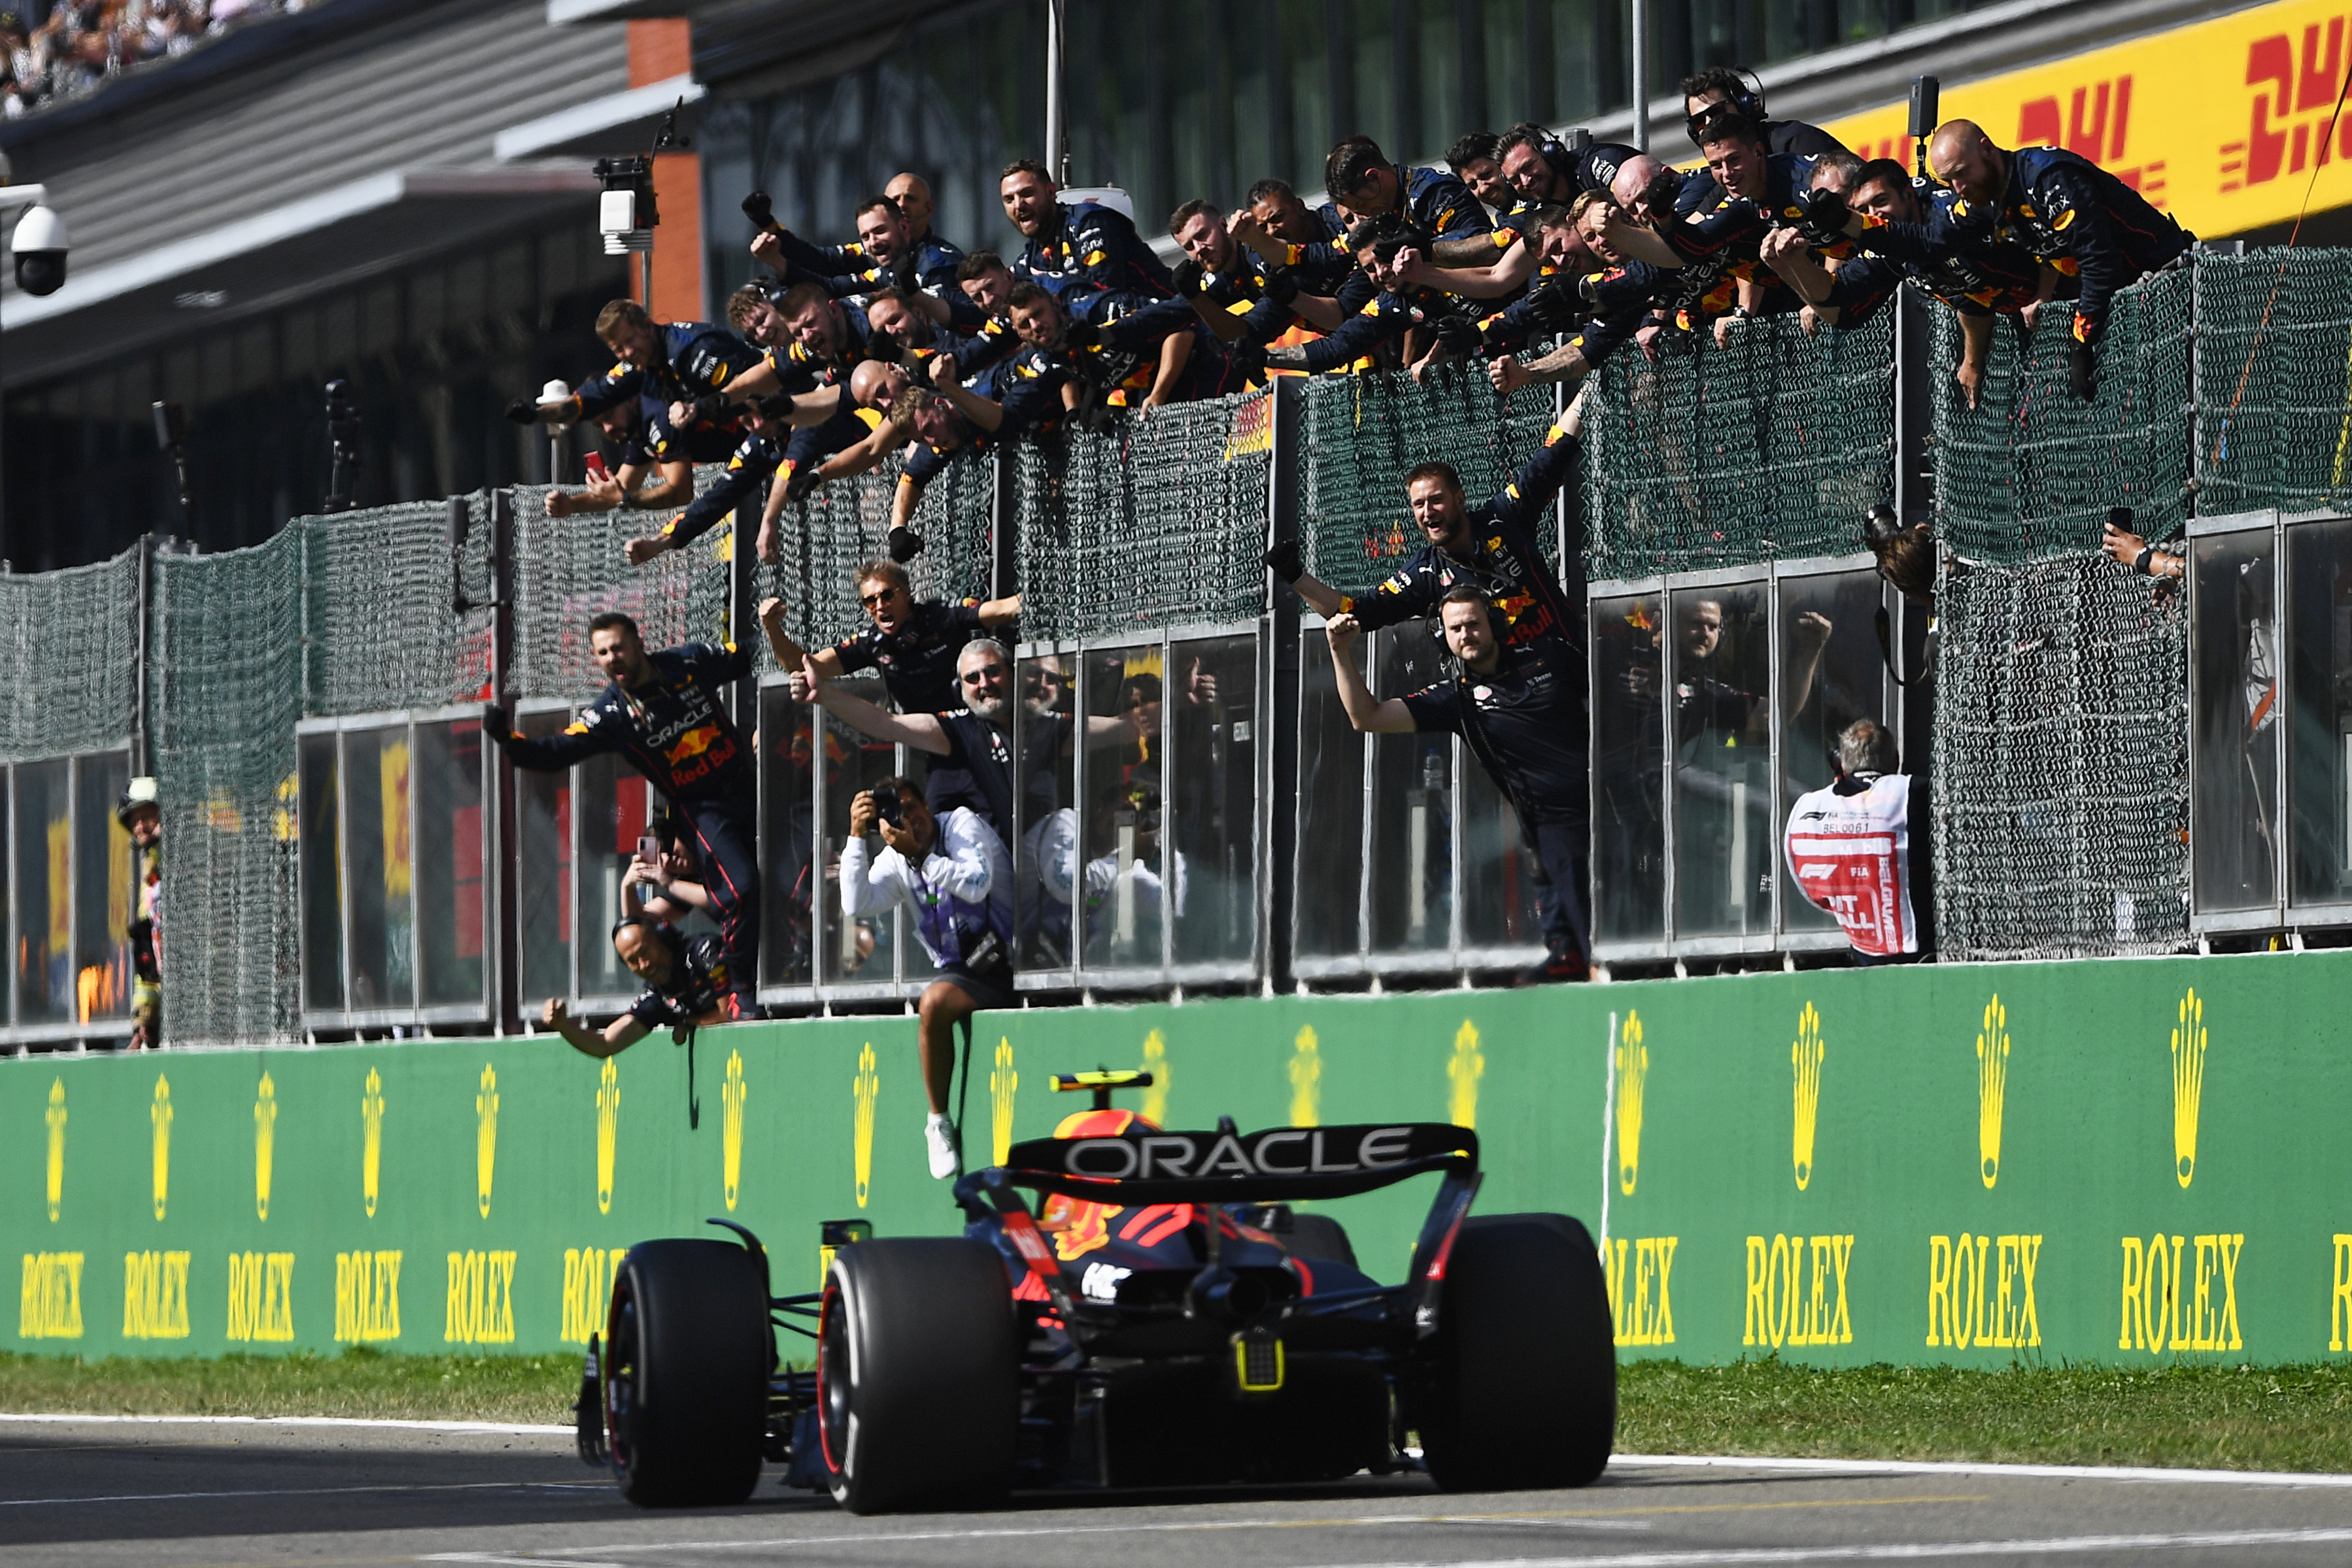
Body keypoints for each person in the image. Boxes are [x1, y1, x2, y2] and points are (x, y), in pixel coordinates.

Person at [484, 613, 760, 1014]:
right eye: (602, 652)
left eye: (618, 647)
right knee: (743, 890)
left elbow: (752, 656)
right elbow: (553, 753)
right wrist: (506, 739)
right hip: (704, 810)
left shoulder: (687, 663)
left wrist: (774, 631)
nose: (612, 657)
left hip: (750, 786)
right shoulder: (611, 715)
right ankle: (739, 993)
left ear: (638, 643)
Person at [1325, 588, 1591, 983]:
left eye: (1473, 624)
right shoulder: (1457, 699)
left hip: (1608, 806)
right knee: (1576, 952)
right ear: (1443, 637)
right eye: (1456, 628)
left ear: (1496, 625)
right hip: (1549, 829)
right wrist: (1340, 652)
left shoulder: (1550, 655)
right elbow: (1368, 717)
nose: (1466, 634)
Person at [1271, 411, 1582, 656]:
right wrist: (1296, 575)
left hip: (1570, 664)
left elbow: (1553, 453)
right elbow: (1355, 613)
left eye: (1436, 500)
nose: (1427, 512)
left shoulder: (1503, 517)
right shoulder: (1425, 573)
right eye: (1418, 504)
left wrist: (1595, 359)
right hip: (1507, 698)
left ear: (1459, 500)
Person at [1928, 118, 2193, 398]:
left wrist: (2081, 342)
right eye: (1948, 181)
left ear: (1986, 149)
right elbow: (1937, 237)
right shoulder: (1991, 196)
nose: (1958, 188)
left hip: (2168, 287)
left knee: (2180, 402)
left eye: (1962, 172)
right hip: (2127, 304)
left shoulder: (2048, 178)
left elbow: (2099, 265)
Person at [838, 774, 1014, 1178]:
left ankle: (938, 1120)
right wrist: (855, 838)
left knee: (934, 1000)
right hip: (964, 970)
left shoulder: (961, 826)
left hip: (1011, 958)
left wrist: (922, 857)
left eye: (912, 807)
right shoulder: (894, 855)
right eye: (895, 813)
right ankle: (938, 1123)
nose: (908, 819)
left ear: (927, 806)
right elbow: (856, 903)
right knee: (934, 1002)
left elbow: (977, 883)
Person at [759, 560, 1021, 717]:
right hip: (925, 736)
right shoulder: (872, 643)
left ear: (906, 593)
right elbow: (805, 666)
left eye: (887, 595)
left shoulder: (941, 616)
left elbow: (1002, 610)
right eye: (870, 600)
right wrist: (772, 627)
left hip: (976, 718)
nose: (880, 605)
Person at [1783, 718, 1932, 964]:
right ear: (1895, 760)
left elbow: (1813, 891)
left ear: (1840, 764)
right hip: (1925, 953)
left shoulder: (1807, 807)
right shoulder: (1913, 792)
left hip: (1864, 952)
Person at [541, 916, 741, 1058]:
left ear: (661, 938)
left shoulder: (703, 952)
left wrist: (689, 1021)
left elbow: (728, 1014)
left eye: (645, 951)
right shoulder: (658, 996)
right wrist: (563, 1026)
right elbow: (605, 1045)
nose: (644, 965)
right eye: (633, 961)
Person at [1000, 159, 1176, 298]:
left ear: (1051, 192)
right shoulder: (1032, 255)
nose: (1018, 205)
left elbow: (1103, 296)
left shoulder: (1089, 224)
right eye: (1009, 199)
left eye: (1027, 194)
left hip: (1166, 322)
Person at [1680, 65, 1847, 159]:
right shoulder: (1721, 178)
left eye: (1716, 112)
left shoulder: (1797, 142)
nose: (1709, 125)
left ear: (1745, 107)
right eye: (1699, 121)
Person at [118, 777, 162, 1048]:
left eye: (146, 817)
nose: (139, 827)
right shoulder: (149, 877)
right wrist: (143, 1019)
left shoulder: (184, 860)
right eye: (134, 821)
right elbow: (147, 952)